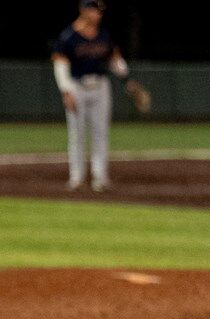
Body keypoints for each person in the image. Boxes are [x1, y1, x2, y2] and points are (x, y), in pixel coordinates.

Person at [51, 0, 132, 192]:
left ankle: (99, 177)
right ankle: (77, 178)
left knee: (100, 132)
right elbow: (60, 65)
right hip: (77, 86)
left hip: (100, 86)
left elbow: (114, 59)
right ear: (83, 10)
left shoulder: (104, 35)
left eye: (99, 11)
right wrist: (66, 90)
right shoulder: (68, 36)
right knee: (77, 134)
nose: (98, 15)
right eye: (94, 10)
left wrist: (126, 77)